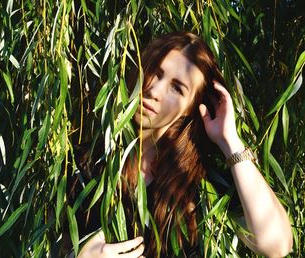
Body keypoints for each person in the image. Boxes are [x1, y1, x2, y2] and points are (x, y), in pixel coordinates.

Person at [74, 32, 293, 258]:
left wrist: (230, 141)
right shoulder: (82, 164)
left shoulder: (201, 186)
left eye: (177, 88)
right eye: (155, 73)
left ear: (190, 107)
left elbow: (277, 245)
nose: (155, 91)